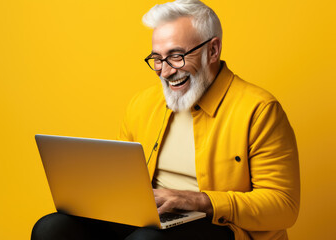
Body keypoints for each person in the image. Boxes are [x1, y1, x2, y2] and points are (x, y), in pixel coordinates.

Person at [31, 0, 300, 239]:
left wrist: (198, 201)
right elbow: (124, 181)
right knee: (51, 229)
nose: (165, 70)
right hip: (153, 220)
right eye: (157, 59)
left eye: (176, 56)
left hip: (222, 227)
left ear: (213, 50)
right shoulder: (142, 104)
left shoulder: (259, 109)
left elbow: (283, 206)